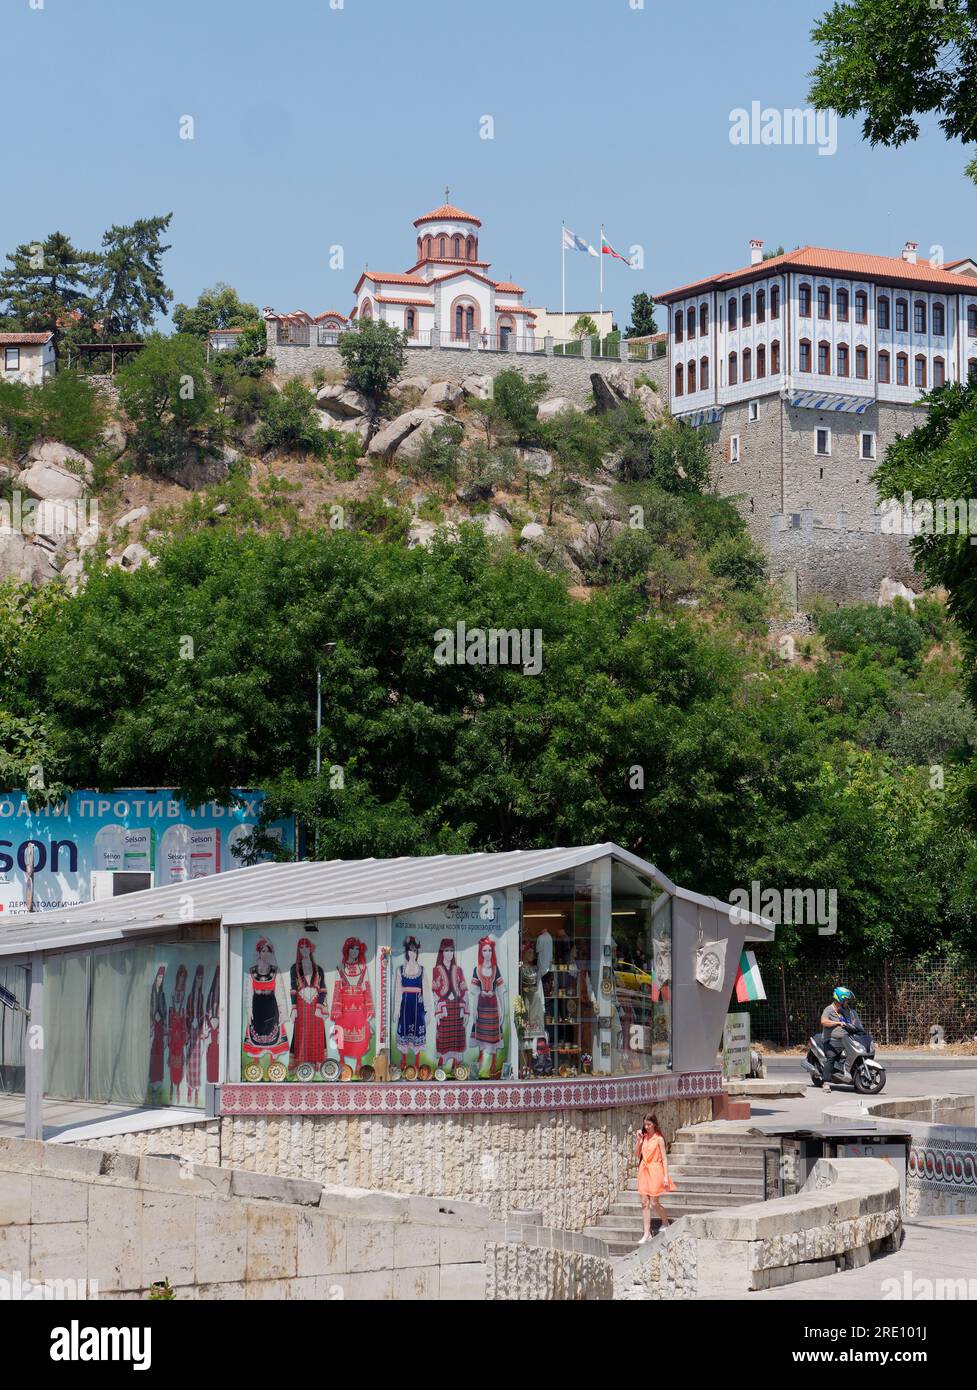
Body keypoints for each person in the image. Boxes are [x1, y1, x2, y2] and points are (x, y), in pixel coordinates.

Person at [634, 1113, 674, 1242]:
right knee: (644, 1202)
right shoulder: (644, 1137)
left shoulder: (659, 1139)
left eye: (649, 1124)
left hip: (656, 1170)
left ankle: (665, 1221)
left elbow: (664, 1158)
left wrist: (666, 1176)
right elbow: (636, 1154)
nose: (646, 1127)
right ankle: (647, 1233)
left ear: (654, 1124)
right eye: (645, 1124)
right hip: (644, 1170)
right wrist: (638, 1140)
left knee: (654, 1202)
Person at [819, 986, 856, 1090]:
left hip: (845, 1040)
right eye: (846, 999)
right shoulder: (829, 1009)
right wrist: (837, 1023)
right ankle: (826, 1082)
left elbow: (852, 1020)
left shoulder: (845, 1009)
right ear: (840, 999)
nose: (847, 1002)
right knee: (831, 1057)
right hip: (831, 1041)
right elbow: (823, 1021)